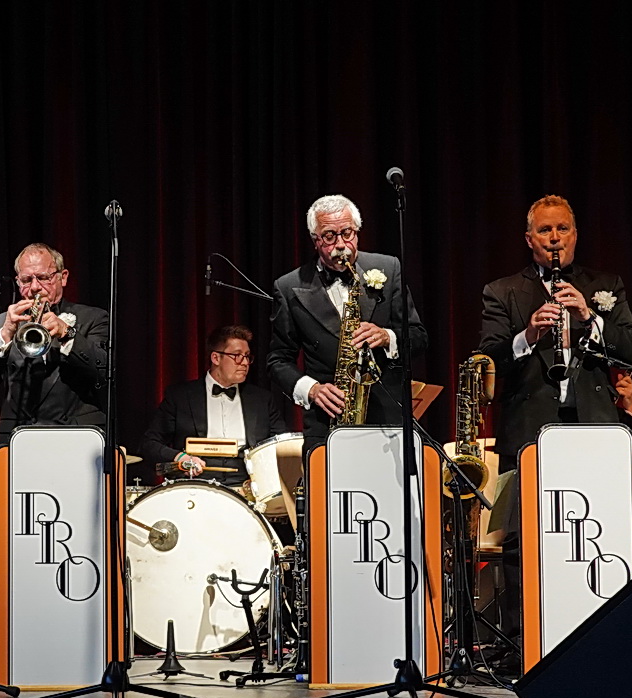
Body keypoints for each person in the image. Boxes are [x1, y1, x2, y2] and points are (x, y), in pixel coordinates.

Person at [476, 194, 632, 468]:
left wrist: (590, 318)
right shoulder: (501, 291)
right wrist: (528, 335)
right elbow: (488, 363)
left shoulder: (607, 284)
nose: (555, 238)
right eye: (545, 230)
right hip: (528, 431)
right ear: (529, 240)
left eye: (562, 228)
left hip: (596, 428)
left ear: (574, 235)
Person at [268, 194, 426, 445]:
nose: (341, 244)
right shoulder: (288, 287)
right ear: (315, 240)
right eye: (330, 236)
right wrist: (312, 389)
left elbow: (418, 337)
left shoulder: (389, 268)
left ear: (357, 232)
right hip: (326, 423)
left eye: (347, 233)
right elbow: (278, 360)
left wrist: (387, 337)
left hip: (387, 423)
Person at [0, 243, 110, 439]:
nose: (35, 287)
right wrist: (5, 334)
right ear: (18, 282)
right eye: (26, 280)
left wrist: (67, 333)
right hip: (18, 436)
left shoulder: (93, 318)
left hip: (76, 434)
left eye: (43, 278)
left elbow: (104, 372)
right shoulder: (0, 323)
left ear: (63, 277)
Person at [138, 324, 290, 482]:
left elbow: (284, 445)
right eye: (237, 355)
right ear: (216, 358)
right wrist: (180, 457)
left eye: (247, 356)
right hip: (195, 484)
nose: (245, 363)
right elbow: (149, 444)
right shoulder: (180, 397)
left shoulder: (262, 399)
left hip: (249, 485)